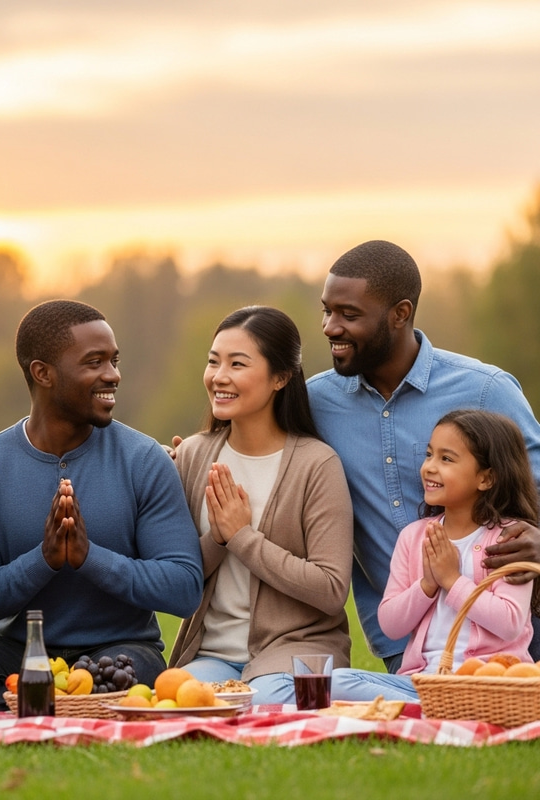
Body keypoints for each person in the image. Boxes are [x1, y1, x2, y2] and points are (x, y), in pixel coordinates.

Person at [0, 299, 203, 710]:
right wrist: (44, 561)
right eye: (94, 363)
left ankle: (35, 708)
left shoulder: (143, 459)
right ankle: (64, 705)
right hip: (24, 654)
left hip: (120, 652)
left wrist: (89, 558)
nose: (113, 375)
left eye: (114, 361)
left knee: (134, 672)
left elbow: (184, 588)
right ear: (43, 373)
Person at [307, 240, 540, 672]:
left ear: (400, 313)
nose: (330, 327)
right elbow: (254, 440)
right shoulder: (315, 403)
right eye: (328, 311)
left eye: (349, 315)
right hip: (410, 640)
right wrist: (186, 456)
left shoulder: (488, 390)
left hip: (514, 632)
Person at [167, 306, 353, 704]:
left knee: (266, 699)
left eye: (237, 364)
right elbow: (176, 577)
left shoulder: (316, 464)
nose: (219, 377)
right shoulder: (193, 456)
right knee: (181, 701)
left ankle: (414, 690)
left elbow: (332, 589)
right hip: (211, 654)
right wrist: (218, 538)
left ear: (280, 378)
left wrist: (243, 538)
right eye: (214, 362)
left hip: (295, 649)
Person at [332, 410, 538, 701]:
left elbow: (510, 622)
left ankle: (427, 708)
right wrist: (427, 585)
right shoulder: (415, 537)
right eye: (429, 455)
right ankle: (433, 706)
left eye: (446, 459)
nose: (429, 467)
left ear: (486, 478)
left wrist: (453, 580)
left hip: (487, 684)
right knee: (337, 681)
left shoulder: (510, 539)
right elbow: (390, 625)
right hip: (423, 682)